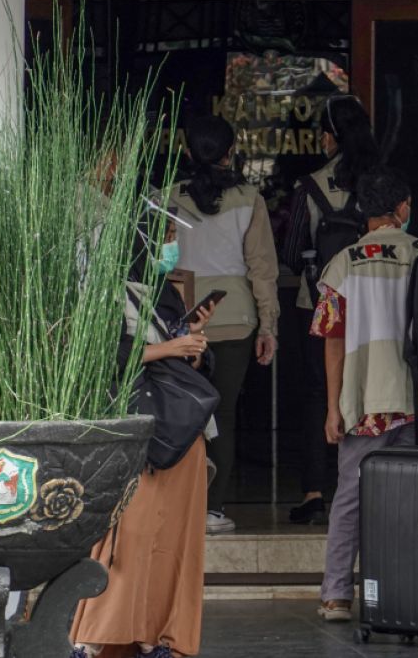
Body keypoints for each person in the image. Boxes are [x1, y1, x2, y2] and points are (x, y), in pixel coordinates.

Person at [71, 213, 216, 658]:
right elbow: (101, 354)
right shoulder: (104, 288)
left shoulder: (165, 292)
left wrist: (190, 343)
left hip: (180, 429)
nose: (172, 247)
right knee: (128, 537)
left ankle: (161, 635)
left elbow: (182, 364)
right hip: (135, 430)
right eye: (166, 237)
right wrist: (169, 347)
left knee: (175, 540)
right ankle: (95, 635)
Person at [311, 167, 418, 622]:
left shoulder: (343, 263)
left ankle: (336, 594)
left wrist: (333, 406)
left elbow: (333, 340)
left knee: (351, 495)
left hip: (365, 401)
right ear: (403, 207)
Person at [171, 116, 280, 535]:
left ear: (186, 151)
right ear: (231, 152)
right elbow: (262, 269)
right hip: (235, 318)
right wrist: (268, 326)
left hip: (180, 319)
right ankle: (213, 509)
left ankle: (182, 503)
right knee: (225, 414)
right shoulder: (249, 198)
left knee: (182, 413)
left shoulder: (165, 197)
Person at [281, 94, 379, 525]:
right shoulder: (380, 183)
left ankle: (316, 489)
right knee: (368, 390)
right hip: (376, 305)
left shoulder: (311, 187)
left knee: (319, 393)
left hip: (318, 302)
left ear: (329, 138)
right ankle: (363, 484)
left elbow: (290, 250)